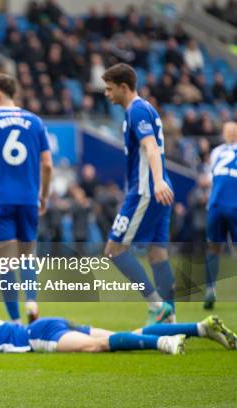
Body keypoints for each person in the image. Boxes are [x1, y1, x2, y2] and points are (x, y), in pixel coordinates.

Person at [0, 71, 52, 324]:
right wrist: (44, 196)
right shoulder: (35, 122)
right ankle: (32, 301)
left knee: (4, 262)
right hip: (28, 198)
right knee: (28, 255)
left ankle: (15, 322)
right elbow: (47, 165)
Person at [102, 63, 176, 325]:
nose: (106, 94)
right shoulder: (141, 109)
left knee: (114, 251)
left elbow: (151, 147)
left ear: (124, 87)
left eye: (110, 89)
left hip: (146, 190)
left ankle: (158, 307)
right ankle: (171, 321)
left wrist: (156, 182)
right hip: (157, 189)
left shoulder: (137, 111)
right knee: (158, 255)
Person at [0, 314, 237, 356]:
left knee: (95, 347)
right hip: (45, 323)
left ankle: (163, 343)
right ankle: (199, 328)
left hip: (33, 337)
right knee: (127, 331)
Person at [204, 122, 237, 310]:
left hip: (224, 205)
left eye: (233, 131)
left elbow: (209, 178)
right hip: (222, 205)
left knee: (214, 248)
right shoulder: (217, 151)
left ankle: (210, 289)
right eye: (229, 131)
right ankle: (210, 290)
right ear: (224, 133)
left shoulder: (217, 152)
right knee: (213, 248)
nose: (231, 134)